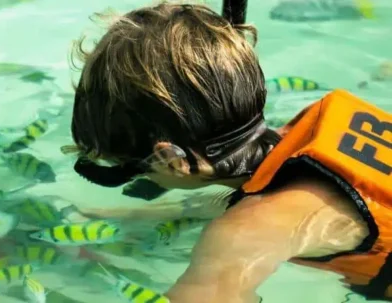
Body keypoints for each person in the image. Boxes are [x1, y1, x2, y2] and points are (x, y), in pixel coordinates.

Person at [68, 3, 392, 302]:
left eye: (132, 167)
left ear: (172, 160)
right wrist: (115, 218)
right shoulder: (312, 129)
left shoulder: (242, 232)